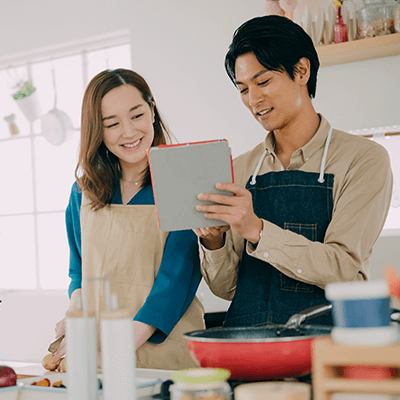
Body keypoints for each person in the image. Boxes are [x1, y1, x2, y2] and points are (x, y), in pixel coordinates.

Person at [193, 15, 393, 327]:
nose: (253, 100)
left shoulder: (363, 160)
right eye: (243, 88)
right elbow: (228, 289)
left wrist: (257, 230)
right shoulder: (239, 168)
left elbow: (342, 269)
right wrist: (213, 243)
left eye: (263, 82)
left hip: (327, 344)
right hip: (248, 345)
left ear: (301, 71)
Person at [52, 68, 205, 370]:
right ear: (98, 130)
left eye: (137, 115)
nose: (129, 132)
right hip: (97, 351)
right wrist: (74, 320)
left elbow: (176, 280)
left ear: (152, 113)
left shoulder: (184, 183)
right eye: (112, 123)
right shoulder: (83, 191)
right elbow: (79, 274)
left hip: (161, 353)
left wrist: (115, 351)